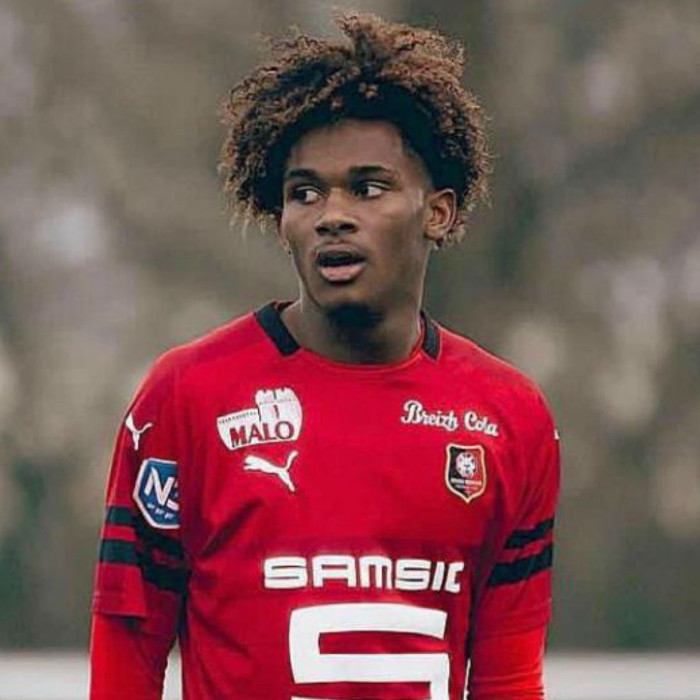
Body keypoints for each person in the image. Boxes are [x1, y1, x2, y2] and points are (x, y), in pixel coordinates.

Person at [90, 11, 560, 700]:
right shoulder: (187, 397)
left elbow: (510, 679)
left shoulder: (509, 417)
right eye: (304, 192)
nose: (331, 214)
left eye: (368, 187)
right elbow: (126, 653)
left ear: (438, 211)